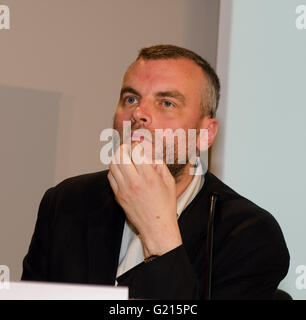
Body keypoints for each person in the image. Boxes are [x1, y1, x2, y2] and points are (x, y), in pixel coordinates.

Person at [22, 44, 290, 299]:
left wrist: (157, 229)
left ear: (205, 134)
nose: (139, 113)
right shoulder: (66, 203)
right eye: (130, 98)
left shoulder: (248, 234)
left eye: (166, 103)